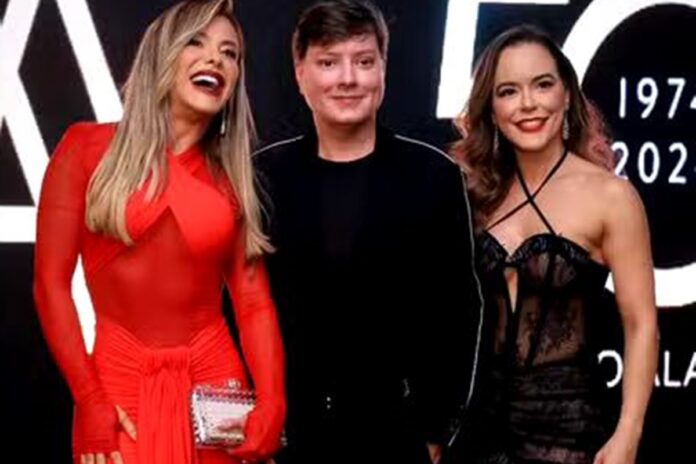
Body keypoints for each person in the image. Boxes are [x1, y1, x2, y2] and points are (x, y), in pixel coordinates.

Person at [33, 1, 285, 463]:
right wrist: (89, 398)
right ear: (162, 54)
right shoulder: (85, 149)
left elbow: (252, 302)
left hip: (214, 390)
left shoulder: (232, 181)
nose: (215, 59)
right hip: (117, 384)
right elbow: (51, 284)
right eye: (196, 42)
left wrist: (272, 402)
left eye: (229, 53)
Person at [253, 1, 483, 463]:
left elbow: (458, 308)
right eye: (328, 62)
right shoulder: (263, 177)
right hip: (285, 437)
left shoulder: (433, 176)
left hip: (395, 437)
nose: (348, 79)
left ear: (383, 69)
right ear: (300, 74)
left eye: (363, 61)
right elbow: (239, 304)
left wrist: (434, 428)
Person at [449, 25, 659, 464]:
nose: (528, 103)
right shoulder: (473, 195)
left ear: (566, 95)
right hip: (477, 432)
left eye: (542, 84)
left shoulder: (612, 197)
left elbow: (641, 323)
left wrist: (629, 431)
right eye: (508, 91)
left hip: (568, 431)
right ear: (491, 109)